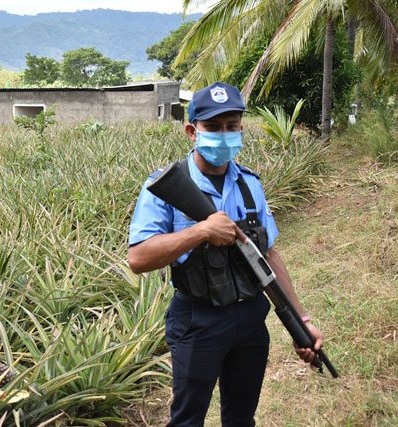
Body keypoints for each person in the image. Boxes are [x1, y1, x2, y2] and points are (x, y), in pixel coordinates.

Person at [127, 82, 324, 426]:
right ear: (192, 131)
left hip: (250, 317)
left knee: (241, 418)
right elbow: (139, 258)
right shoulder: (165, 186)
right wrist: (201, 231)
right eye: (213, 127)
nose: (224, 135)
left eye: (231, 126)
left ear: (241, 129)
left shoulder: (250, 184)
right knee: (187, 419)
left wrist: (302, 322)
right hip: (198, 319)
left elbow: (269, 255)